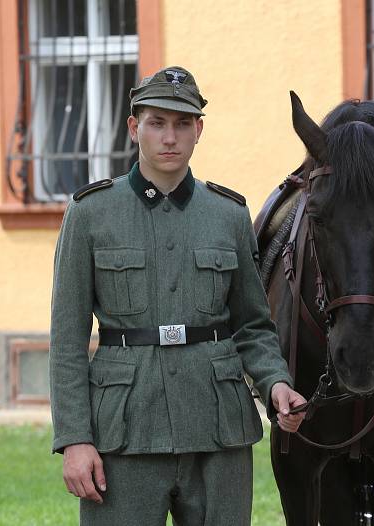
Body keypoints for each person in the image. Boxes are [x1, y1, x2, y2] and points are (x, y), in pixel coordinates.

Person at [49, 65, 306, 525]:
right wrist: (75, 439)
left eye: (183, 124)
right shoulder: (90, 213)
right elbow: (67, 341)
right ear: (134, 128)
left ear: (198, 130)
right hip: (123, 434)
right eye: (157, 123)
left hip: (218, 429)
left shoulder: (227, 213)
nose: (170, 137)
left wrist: (275, 383)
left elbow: (253, 324)